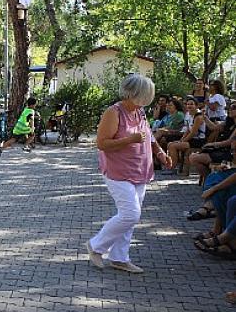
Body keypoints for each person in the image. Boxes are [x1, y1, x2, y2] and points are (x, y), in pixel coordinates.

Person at [87, 74, 173, 274]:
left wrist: (160, 152)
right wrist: (130, 139)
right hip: (118, 171)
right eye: (144, 95)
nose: (146, 100)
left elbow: (149, 135)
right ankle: (96, 246)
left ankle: (119, 257)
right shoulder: (114, 112)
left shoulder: (140, 111)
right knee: (130, 214)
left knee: (131, 217)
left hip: (141, 169)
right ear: (133, 93)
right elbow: (102, 143)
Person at [188, 103, 236, 183]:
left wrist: (212, 144)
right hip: (220, 149)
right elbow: (214, 127)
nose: (230, 110)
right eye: (229, 108)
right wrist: (205, 117)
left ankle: (210, 180)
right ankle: (211, 180)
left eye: (233, 108)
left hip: (229, 153)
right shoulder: (228, 122)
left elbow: (229, 142)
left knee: (194, 158)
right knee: (193, 157)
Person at [167, 98, 207, 173]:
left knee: (173, 146)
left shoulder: (198, 117)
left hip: (198, 140)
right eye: (188, 104)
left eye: (191, 104)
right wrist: (182, 139)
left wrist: (184, 141)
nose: (189, 106)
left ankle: (173, 168)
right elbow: (188, 130)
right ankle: (173, 166)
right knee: (170, 144)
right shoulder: (190, 115)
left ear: (196, 106)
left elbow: (193, 133)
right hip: (191, 139)